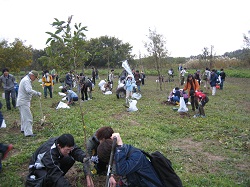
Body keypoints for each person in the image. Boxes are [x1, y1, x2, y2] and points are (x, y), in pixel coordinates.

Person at [97, 133, 163, 187]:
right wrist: (112, 176)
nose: (114, 163)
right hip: (136, 182)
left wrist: (120, 144)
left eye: (112, 161)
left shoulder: (136, 157)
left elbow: (121, 171)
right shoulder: (122, 154)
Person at [27, 134, 94, 187]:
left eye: (70, 149)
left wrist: (83, 157)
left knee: (70, 158)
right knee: (51, 178)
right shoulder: (49, 154)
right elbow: (55, 173)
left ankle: (56, 182)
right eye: (67, 149)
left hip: (53, 164)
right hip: (39, 168)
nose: (69, 151)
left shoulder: (65, 142)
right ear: (59, 146)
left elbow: (75, 150)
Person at [16, 70, 41, 137]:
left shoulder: (26, 79)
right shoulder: (26, 80)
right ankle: (28, 133)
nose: (35, 79)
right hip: (23, 101)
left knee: (24, 117)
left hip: (22, 101)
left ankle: (23, 129)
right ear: (32, 75)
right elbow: (29, 90)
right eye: (35, 78)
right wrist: (37, 93)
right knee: (28, 117)